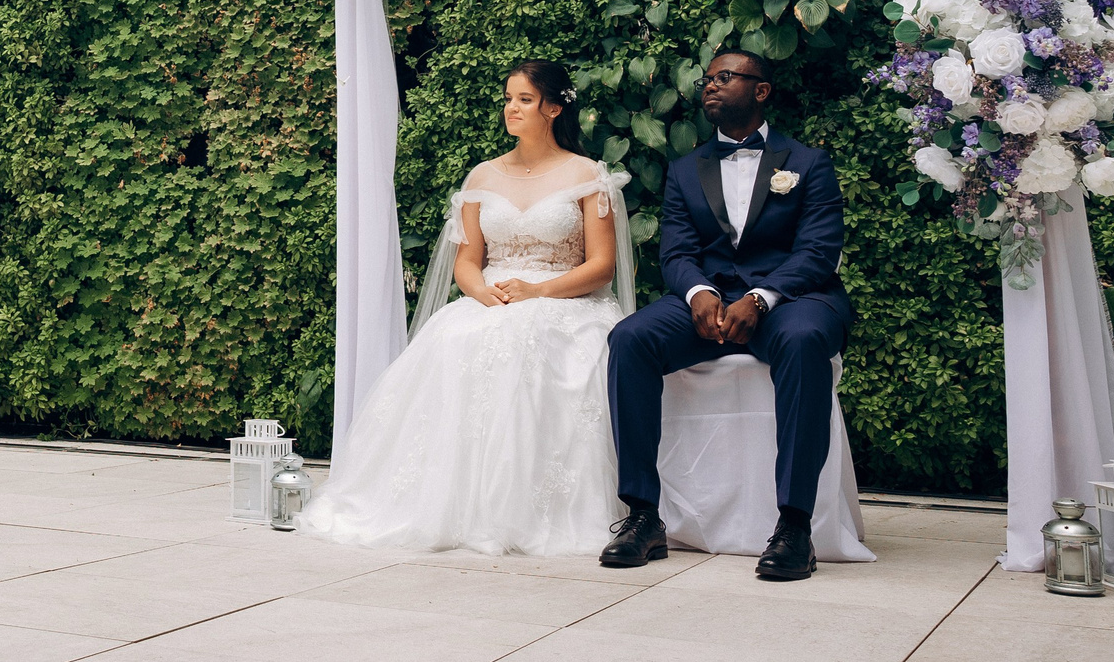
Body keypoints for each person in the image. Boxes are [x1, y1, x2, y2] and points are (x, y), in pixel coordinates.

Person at [300, 60, 632, 556]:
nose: (511, 108)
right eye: (508, 98)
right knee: (457, 338)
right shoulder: (484, 175)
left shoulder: (587, 176)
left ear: (554, 108)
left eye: (523, 99)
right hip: (491, 296)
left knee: (533, 343)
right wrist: (480, 293)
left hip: (564, 298)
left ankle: (527, 508)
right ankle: (449, 503)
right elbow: (468, 260)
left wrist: (538, 292)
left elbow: (602, 266)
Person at [600, 49, 849, 581]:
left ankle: (794, 526)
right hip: (707, 305)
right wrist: (697, 293)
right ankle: (643, 516)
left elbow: (817, 251)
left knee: (805, 341)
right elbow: (676, 251)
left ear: (761, 90)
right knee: (629, 338)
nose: (709, 86)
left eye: (724, 77)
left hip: (792, 303)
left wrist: (760, 299)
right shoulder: (684, 169)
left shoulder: (808, 164)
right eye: (707, 80)